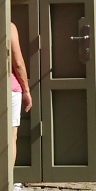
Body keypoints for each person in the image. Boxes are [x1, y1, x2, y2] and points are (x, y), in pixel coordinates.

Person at [11, 21, 32, 186]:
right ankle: (7, 182)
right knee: (10, 137)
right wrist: (26, 90)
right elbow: (18, 63)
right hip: (8, 88)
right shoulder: (8, 26)